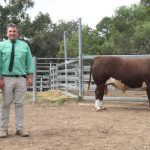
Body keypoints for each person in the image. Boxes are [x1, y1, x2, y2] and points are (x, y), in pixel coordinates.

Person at [0, 23, 35, 138]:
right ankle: (3, 129)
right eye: (10, 31)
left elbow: (29, 61)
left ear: (17, 33)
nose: (12, 33)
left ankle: (20, 129)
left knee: (19, 104)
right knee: (6, 104)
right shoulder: (1, 45)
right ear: (7, 33)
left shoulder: (24, 46)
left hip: (20, 79)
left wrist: (30, 76)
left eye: (14, 31)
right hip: (6, 79)